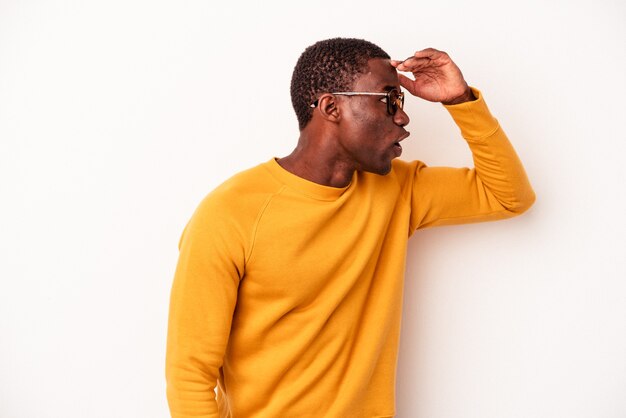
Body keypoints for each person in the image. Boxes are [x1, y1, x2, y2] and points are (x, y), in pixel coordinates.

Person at [165, 38, 535, 418]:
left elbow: (508, 195)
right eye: (389, 99)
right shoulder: (230, 213)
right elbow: (190, 375)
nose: (403, 117)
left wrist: (459, 100)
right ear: (331, 106)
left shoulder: (398, 191)